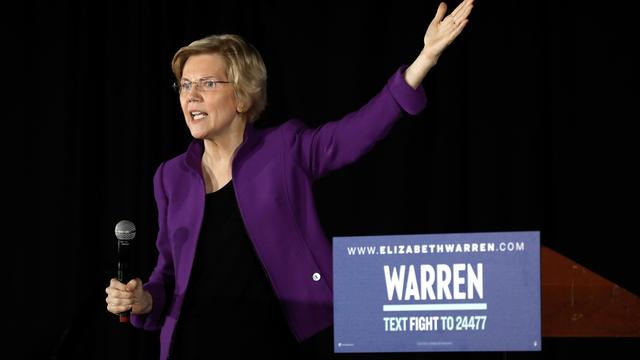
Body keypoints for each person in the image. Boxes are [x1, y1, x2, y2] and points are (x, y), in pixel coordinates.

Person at [105, 1, 474, 359]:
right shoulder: (170, 177)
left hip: (272, 343)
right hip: (192, 345)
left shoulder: (284, 149)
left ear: (242, 97)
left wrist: (423, 61)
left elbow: (357, 131)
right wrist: (143, 299)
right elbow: (166, 274)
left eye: (206, 83)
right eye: (184, 86)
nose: (191, 96)